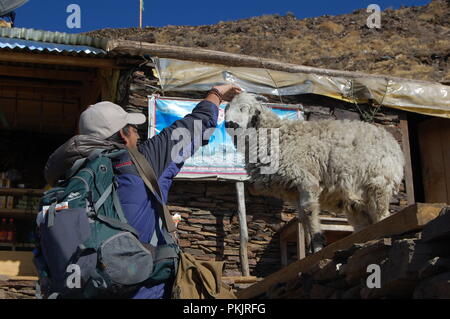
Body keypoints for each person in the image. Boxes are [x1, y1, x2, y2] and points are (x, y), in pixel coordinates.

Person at [44, 84, 242, 299]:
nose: (138, 136)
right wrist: (216, 94)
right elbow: (195, 125)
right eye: (134, 129)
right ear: (123, 134)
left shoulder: (68, 181)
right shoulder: (143, 161)